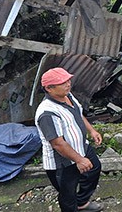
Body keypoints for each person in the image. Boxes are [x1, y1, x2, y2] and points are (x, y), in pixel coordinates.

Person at [35, 67, 104, 212]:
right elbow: (58, 144)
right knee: (67, 195)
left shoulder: (68, 96)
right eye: (62, 82)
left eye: (68, 80)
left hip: (81, 147)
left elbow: (77, 113)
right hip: (62, 162)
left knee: (94, 169)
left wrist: (91, 130)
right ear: (49, 88)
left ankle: (82, 202)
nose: (68, 84)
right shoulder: (47, 113)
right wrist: (79, 160)